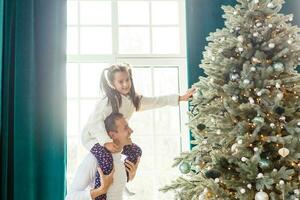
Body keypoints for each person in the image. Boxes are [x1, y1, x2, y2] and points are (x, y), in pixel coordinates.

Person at [81, 63, 195, 196]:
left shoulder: (133, 100)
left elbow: (155, 101)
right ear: (113, 84)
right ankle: (100, 195)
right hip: (93, 137)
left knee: (135, 151)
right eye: (120, 81)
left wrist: (180, 98)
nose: (125, 84)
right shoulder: (109, 100)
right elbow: (95, 122)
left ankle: (122, 181)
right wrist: (106, 142)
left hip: (114, 138)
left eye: (127, 80)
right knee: (106, 158)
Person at [66, 113, 141, 200]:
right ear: (112, 135)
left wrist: (129, 176)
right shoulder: (94, 159)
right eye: (125, 127)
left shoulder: (119, 160)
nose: (131, 130)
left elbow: (114, 191)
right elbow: (70, 197)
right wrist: (101, 190)